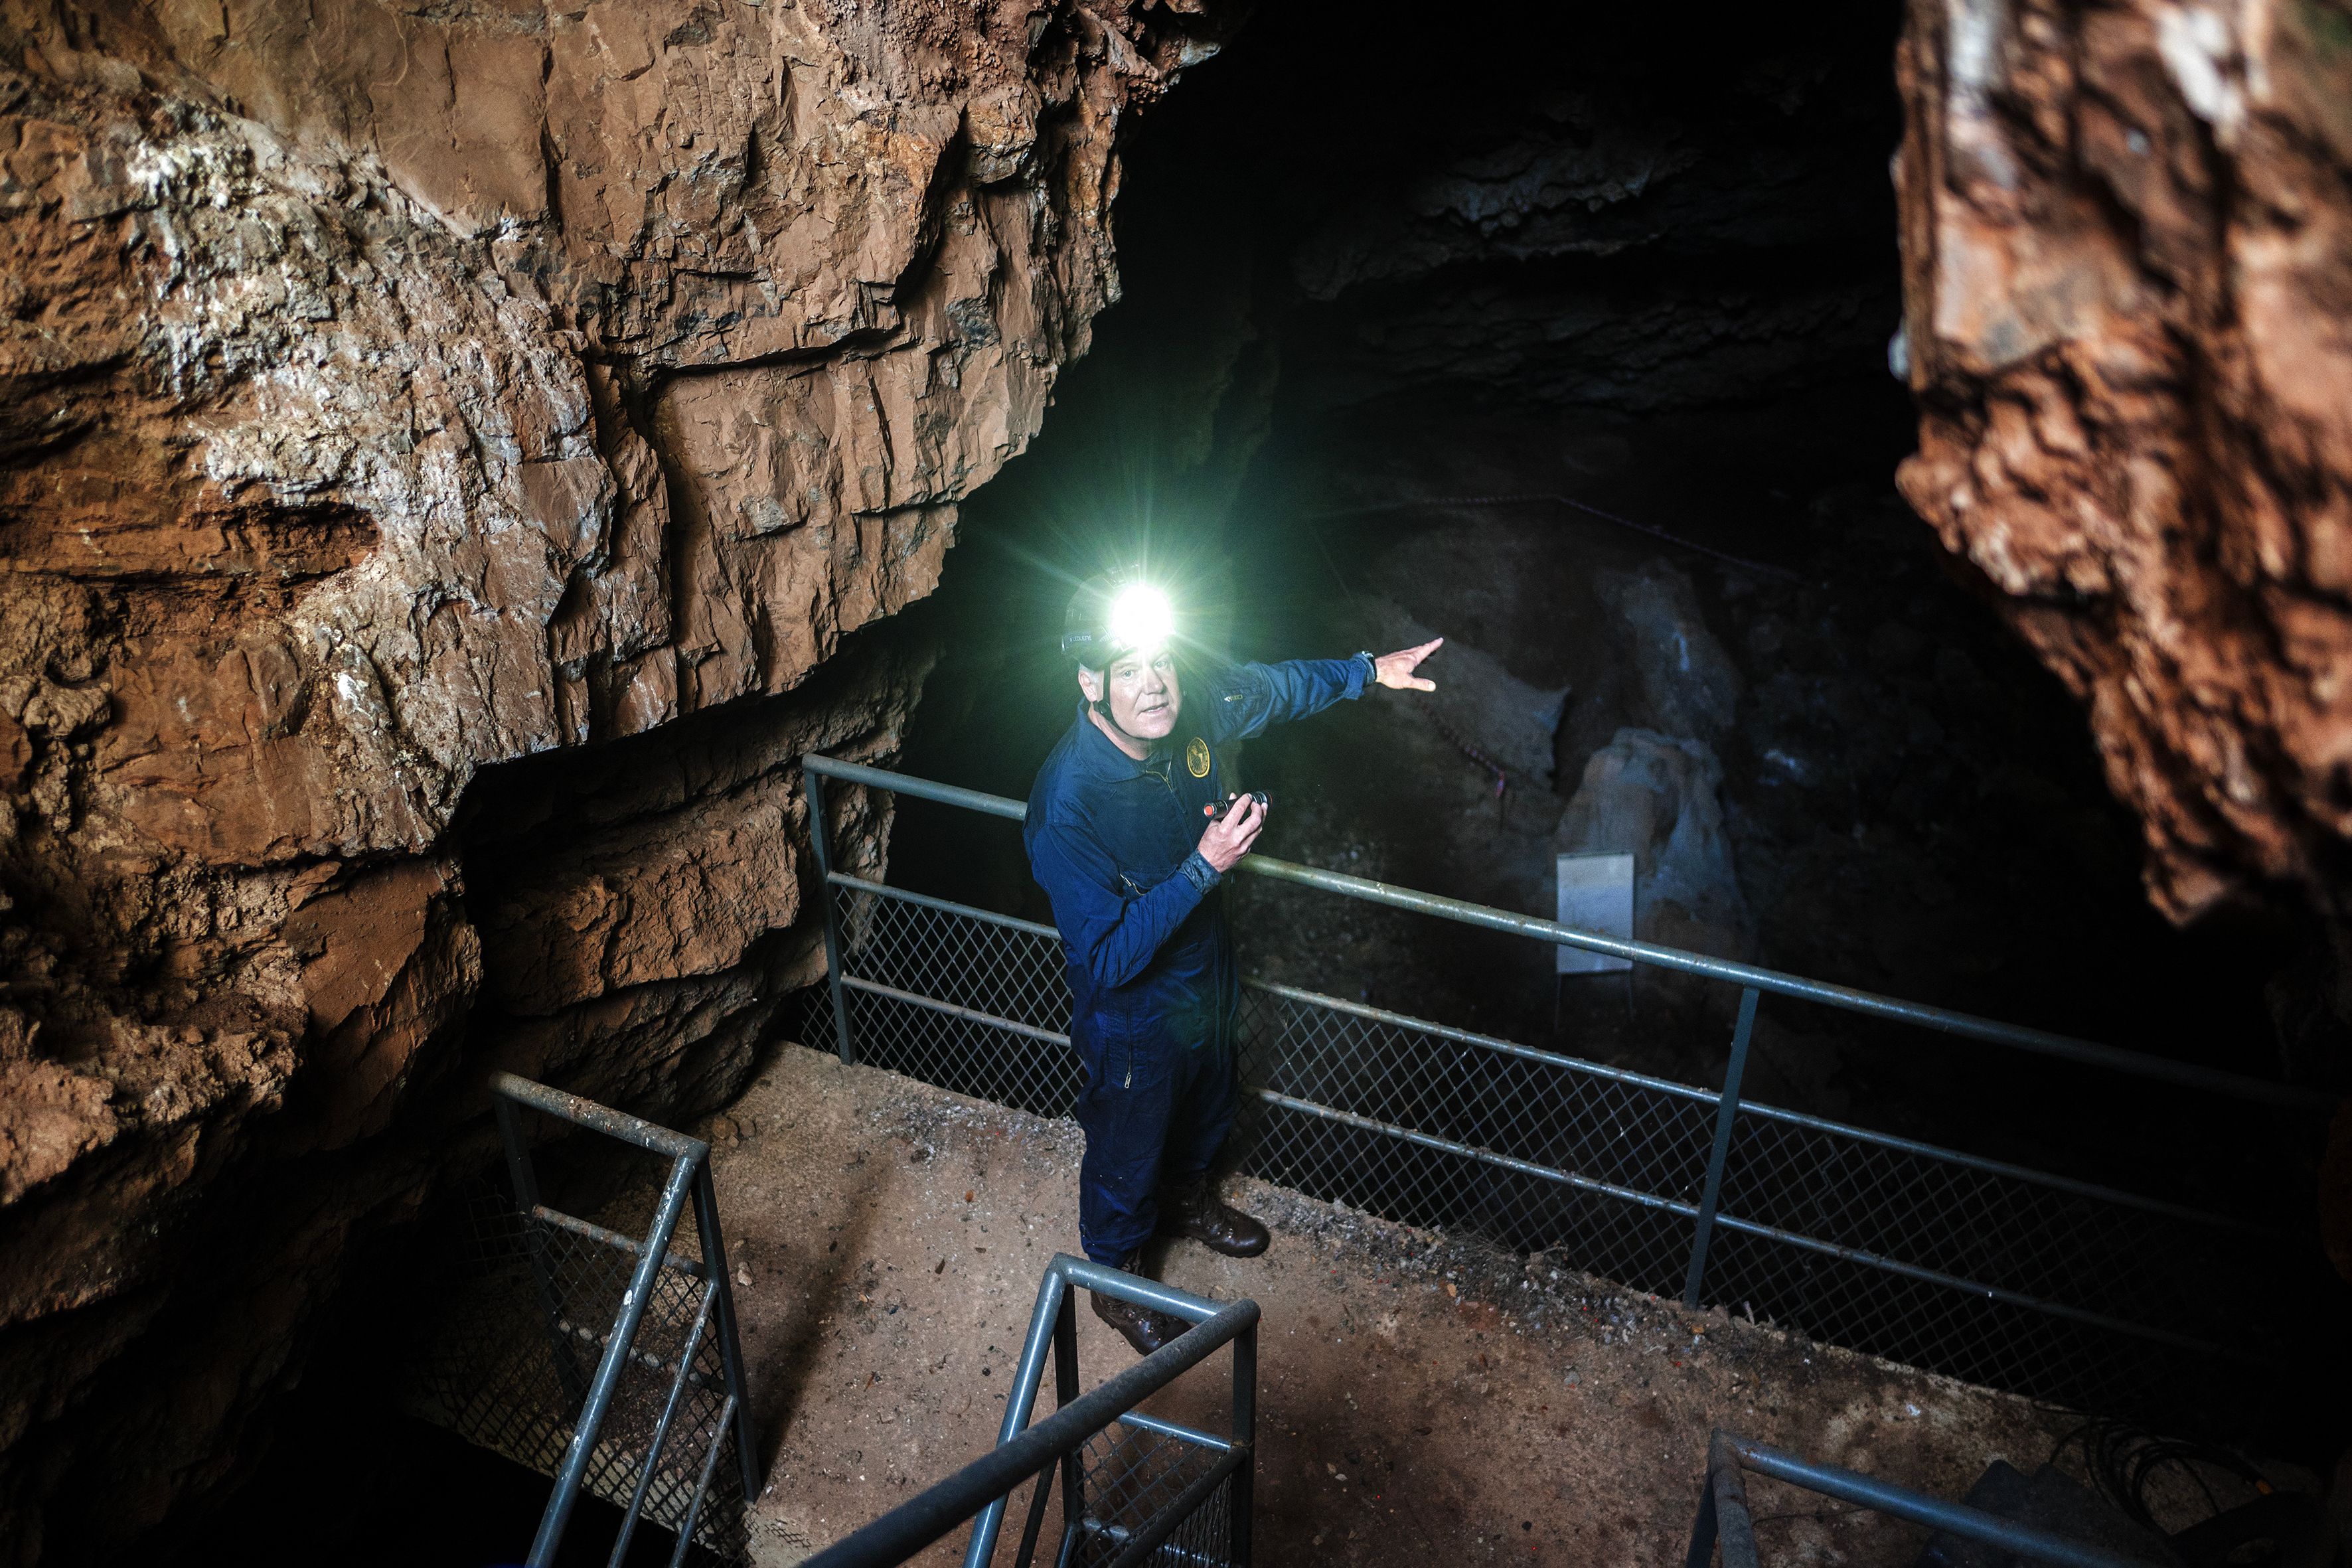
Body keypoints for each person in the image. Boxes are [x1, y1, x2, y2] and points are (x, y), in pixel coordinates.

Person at [1023, 568, 1444, 1354]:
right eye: (1127, 671)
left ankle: (1187, 1202)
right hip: (1133, 1013)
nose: (1155, 685)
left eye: (1161, 660)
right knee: (1127, 1144)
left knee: (1211, 1097)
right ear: (1089, 682)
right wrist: (1204, 866)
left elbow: (1272, 689)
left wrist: (1366, 672)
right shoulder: (1069, 803)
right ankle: (1116, 1278)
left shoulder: (1191, 710)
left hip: (1205, 971)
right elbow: (1107, 957)